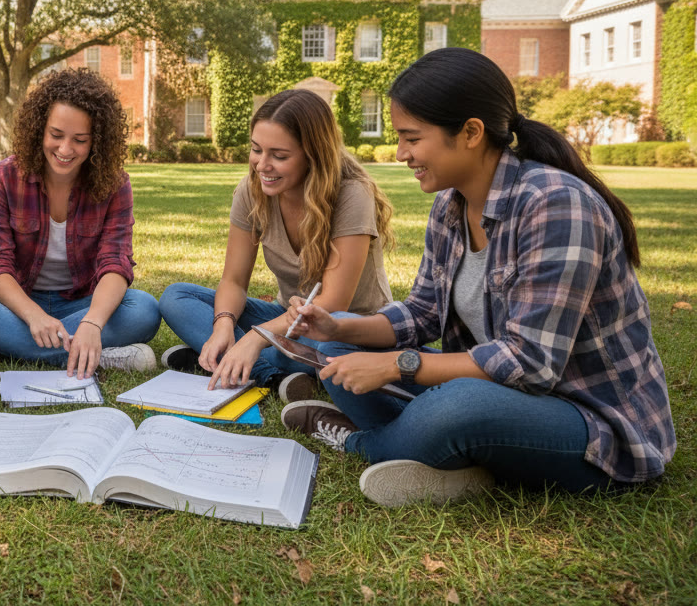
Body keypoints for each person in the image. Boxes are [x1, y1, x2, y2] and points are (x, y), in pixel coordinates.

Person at [281, 47, 676, 508]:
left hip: (591, 422)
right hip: (495, 389)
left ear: (470, 132)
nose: (401, 153)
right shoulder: (449, 206)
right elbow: (424, 313)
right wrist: (338, 326)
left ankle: (364, 443)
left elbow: (530, 363)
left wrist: (396, 365)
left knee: (460, 406)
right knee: (334, 349)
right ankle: (445, 450)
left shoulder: (556, 204)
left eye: (412, 138)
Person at [158, 89, 395, 399]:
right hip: (288, 319)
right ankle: (262, 372)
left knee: (324, 340)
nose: (262, 165)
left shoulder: (351, 194)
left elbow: (333, 303)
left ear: (313, 155)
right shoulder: (252, 190)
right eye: (257, 150)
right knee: (178, 297)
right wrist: (223, 325)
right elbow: (233, 280)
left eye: (279, 156)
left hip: (347, 330)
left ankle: (228, 360)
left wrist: (255, 339)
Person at [0, 68, 161, 378]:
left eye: (79, 140)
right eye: (56, 135)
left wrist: (92, 322)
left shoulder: (114, 184)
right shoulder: (4, 177)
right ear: (40, 128)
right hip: (19, 303)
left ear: (96, 141)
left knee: (144, 310)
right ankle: (96, 355)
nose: (65, 150)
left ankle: (3, 348)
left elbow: (115, 262)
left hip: (83, 302)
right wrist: (33, 316)